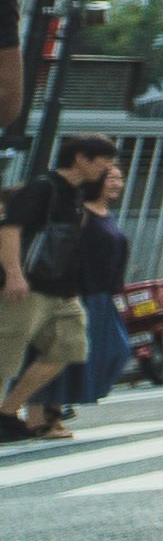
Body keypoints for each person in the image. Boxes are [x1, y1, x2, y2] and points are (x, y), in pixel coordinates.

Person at [1, 135, 122, 437]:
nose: (107, 169)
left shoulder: (75, 193)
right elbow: (11, 230)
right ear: (82, 158)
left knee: (71, 348)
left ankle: (7, 410)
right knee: (6, 354)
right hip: (30, 286)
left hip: (63, 290)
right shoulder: (44, 188)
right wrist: (14, 274)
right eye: (103, 162)